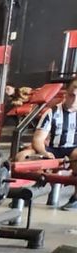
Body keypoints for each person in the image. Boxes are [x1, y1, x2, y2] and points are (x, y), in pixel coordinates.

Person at [31, 78, 77, 210]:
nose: (75, 100)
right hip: (52, 148)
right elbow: (38, 140)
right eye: (72, 95)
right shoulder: (52, 112)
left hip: (73, 150)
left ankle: (75, 198)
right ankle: (29, 193)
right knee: (21, 157)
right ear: (65, 94)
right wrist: (44, 152)